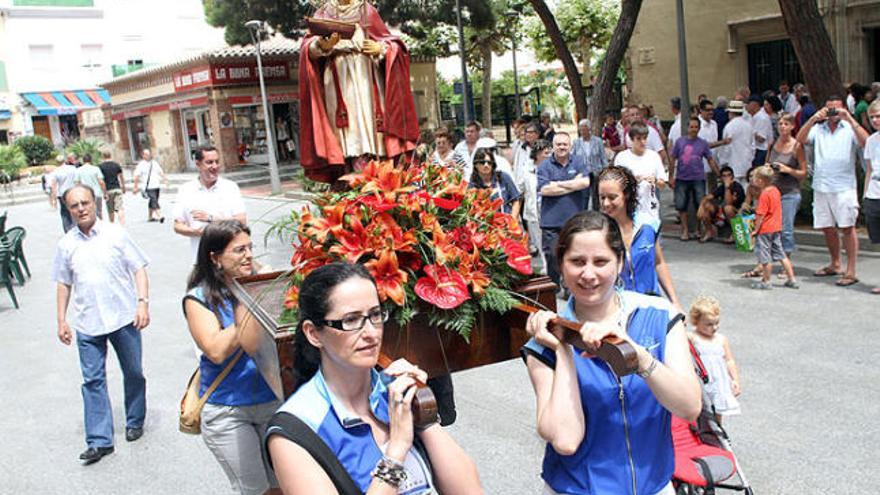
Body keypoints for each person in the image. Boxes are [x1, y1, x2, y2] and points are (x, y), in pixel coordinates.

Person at [521, 210, 700, 495]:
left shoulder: (659, 316)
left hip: (654, 488)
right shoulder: (544, 341)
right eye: (577, 261)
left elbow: (689, 407)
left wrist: (641, 359)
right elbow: (566, 440)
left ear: (619, 262)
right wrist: (563, 349)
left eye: (601, 261)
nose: (588, 274)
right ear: (561, 265)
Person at [264, 262, 482, 494]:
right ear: (314, 333)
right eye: (351, 320)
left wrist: (424, 413)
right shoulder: (295, 431)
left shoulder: (393, 392)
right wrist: (396, 450)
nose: (370, 333)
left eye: (375, 315)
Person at [51, 184, 150, 465]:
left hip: (123, 317)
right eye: (74, 206)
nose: (81, 209)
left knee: (133, 372)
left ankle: (134, 420)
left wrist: (142, 302)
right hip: (87, 322)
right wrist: (61, 320)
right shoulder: (66, 244)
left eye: (85, 203)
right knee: (92, 380)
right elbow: (63, 283)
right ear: (68, 210)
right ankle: (99, 440)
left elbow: (139, 268)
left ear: (94, 203)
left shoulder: (116, 234)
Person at [183, 220, 281, 494]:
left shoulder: (257, 286)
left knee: (282, 484)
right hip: (228, 411)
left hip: (271, 402)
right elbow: (215, 350)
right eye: (239, 250)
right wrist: (253, 303)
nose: (249, 256)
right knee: (255, 489)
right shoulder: (198, 298)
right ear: (214, 258)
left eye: (250, 248)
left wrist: (265, 288)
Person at [298, 0, 419, 182]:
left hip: (366, 76)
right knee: (348, 129)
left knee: (368, 125)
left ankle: (374, 170)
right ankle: (350, 172)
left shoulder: (366, 10)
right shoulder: (323, 13)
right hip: (337, 77)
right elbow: (308, 50)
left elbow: (392, 44)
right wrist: (322, 46)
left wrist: (381, 49)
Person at [796, 95, 869, 287]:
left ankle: (851, 270)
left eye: (836, 108)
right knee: (826, 227)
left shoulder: (849, 129)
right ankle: (835, 263)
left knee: (847, 228)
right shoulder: (818, 129)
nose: (832, 112)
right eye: (829, 109)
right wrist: (813, 118)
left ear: (843, 108)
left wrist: (850, 118)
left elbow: (866, 142)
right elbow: (800, 139)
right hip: (821, 186)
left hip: (844, 187)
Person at [597, 166, 682, 310]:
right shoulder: (597, 232)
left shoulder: (647, 224)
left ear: (627, 195)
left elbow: (658, 263)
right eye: (602, 197)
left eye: (612, 197)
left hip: (651, 306)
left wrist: (675, 302)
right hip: (616, 310)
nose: (606, 203)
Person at [173, 146, 247, 263]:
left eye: (217, 162)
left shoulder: (230, 187)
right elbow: (177, 226)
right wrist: (196, 232)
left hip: (231, 260)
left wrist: (211, 219)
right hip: (201, 260)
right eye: (209, 162)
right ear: (198, 164)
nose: (215, 166)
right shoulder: (185, 190)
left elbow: (241, 221)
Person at [537, 132, 591, 289]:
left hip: (574, 221)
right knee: (553, 255)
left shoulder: (578, 162)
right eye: (558, 144)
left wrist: (557, 184)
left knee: (573, 255)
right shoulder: (544, 166)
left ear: (570, 146)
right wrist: (571, 184)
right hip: (551, 221)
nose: (561, 147)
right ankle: (554, 285)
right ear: (552, 146)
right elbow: (545, 190)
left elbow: (585, 182)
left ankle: (570, 286)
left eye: (565, 144)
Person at [687, 296, 741, 426]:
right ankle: (696, 430)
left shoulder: (721, 339)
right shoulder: (692, 338)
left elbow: (729, 361)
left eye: (717, 323)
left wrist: (735, 380)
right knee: (697, 408)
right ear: (696, 322)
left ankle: (717, 431)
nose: (714, 327)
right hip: (700, 381)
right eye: (709, 324)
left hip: (718, 380)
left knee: (717, 409)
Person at [746, 165, 799, 289]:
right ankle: (792, 279)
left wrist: (755, 230)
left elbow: (760, 215)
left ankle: (766, 281)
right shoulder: (775, 190)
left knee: (765, 257)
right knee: (781, 255)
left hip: (765, 229)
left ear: (760, 181)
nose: (752, 180)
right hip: (776, 228)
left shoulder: (764, 195)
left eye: (754, 178)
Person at [670, 117, 721, 240]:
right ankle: (685, 230)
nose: (693, 129)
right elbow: (673, 159)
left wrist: (718, 173)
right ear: (687, 128)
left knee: (700, 204)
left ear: (699, 128)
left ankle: (698, 230)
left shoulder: (703, 143)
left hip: (698, 177)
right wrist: (670, 176)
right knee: (681, 205)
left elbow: (710, 159)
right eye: (691, 127)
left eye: (696, 127)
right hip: (682, 177)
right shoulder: (679, 142)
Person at [768, 113, 807, 256]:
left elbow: (803, 172)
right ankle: (768, 260)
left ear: (792, 126)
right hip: (773, 190)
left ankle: (787, 260)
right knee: (771, 227)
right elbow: (767, 164)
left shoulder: (796, 146)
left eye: (786, 124)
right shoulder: (773, 144)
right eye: (780, 124)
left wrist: (788, 170)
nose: (783, 127)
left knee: (786, 229)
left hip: (790, 191)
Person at [614, 122, 668, 223]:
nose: (642, 142)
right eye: (638, 139)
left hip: (650, 210)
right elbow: (615, 183)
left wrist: (655, 180)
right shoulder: (622, 157)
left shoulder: (654, 156)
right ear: (631, 139)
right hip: (628, 209)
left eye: (645, 138)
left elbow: (662, 184)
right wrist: (631, 180)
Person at [514, 124, 543, 259]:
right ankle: (533, 244)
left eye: (531, 132)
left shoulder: (543, 147)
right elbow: (518, 165)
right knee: (529, 219)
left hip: (540, 192)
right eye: (526, 133)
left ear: (537, 134)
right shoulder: (521, 148)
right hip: (525, 186)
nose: (528, 135)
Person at [697, 166, 746, 243]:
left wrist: (727, 188)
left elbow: (728, 202)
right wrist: (701, 207)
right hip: (722, 214)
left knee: (728, 208)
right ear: (721, 178)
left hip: (736, 214)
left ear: (732, 176)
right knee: (706, 206)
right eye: (724, 176)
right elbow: (707, 197)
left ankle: (734, 233)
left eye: (729, 175)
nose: (727, 177)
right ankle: (709, 231)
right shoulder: (721, 187)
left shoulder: (737, 187)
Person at [469, 147, 521, 217]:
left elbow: (516, 200)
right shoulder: (472, 184)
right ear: (476, 165)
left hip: (505, 222)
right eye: (482, 162)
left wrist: (513, 219)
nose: (486, 165)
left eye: (489, 163)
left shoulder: (503, 177)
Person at [862, 99, 880, 294]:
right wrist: (866, 195)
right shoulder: (871, 140)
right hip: (874, 194)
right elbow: (869, 169)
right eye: (872, 117)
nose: (875, 120)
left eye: (878, 116)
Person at [571, 119, 608, 210]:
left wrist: (606, 172)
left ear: (589, 129)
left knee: (596, 196)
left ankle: (596, 214)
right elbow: (573, 158)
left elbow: (603, 157)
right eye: (581, 130)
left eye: (584, 129)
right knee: (584, 196)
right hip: (583, 174)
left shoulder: (598, 141)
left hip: (595, 172)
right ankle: (583, 215)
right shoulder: (576, 142)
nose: (582, 132)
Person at [718, 100, 754, 187]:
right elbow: (753, 145)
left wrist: (723, 161)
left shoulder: (729, 126)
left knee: (734, 190)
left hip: (732, 163)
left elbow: (726, 147)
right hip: (746, 163)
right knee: (746, 187)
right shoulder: (749, 125)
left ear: (731, 113)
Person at [133, 149, 168, 223]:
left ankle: (150, 217)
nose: (148, 155)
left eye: (149, 154)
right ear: (143, 156)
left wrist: (165, 180)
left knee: (153, 200)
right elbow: (136, 176)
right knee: (154, 200)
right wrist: (135, 187)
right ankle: (160, 216)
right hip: (148, 186)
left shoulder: (154, 163)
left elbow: (160, 171)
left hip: (156, 185)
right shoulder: (141, 165)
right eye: (146, 154)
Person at [49, 153, 80, 232]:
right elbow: (77, 180)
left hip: (62, 193)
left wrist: (54, 198)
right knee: (74, 210)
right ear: (65, 160)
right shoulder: (72, 168)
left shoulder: (56, 171)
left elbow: (53, 185)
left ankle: (67, 230)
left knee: (64, 213)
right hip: (72, 192)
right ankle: (75, 228)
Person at [75, 153, 106, 220]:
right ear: (91, 160)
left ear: (83, 161)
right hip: (97, 193)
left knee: (88, 212)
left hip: (85, 194)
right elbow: (101, 182)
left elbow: (77, 183)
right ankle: (100, 226)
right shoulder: (96, 169)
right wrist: (105, 193)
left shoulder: (79, 170)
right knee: (99, 212)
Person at [98, 151, 126, 224]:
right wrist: (123, 186)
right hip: (117, 188)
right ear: (110, 156)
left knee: (110, 210)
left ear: (103, 157)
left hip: (108, 190)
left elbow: (101, 180)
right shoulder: (116, 165)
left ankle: (112, 224)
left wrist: (104, 192)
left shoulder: (101, 167)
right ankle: (122, 224)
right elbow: (121, 177)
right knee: (120, 208)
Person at [746, 95, 773, 166]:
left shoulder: (761, 118)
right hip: (755, 150)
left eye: (748, 104)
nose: (746, 107)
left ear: (754, 105)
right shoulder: (752, 116)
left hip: (761, 150)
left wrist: (748, 132)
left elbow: (761, 138)